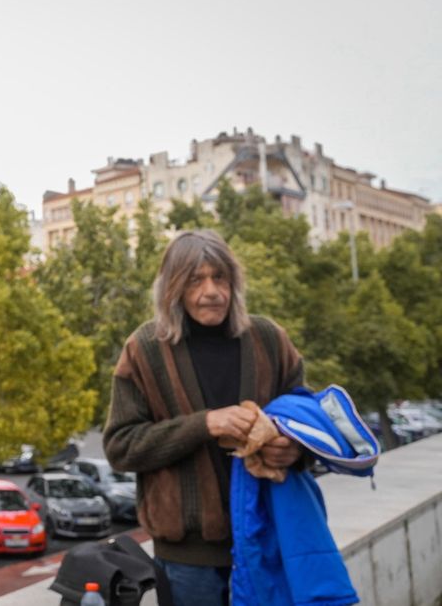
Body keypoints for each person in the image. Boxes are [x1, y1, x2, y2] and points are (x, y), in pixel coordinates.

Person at [103, 229, 304, 606]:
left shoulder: (269, 339)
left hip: (269, 538)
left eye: (220, 277)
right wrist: (205, 424)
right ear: (173, 288)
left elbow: (305, 421)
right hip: (188, 560)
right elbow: (120, 447)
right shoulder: (144, 349)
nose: (211, 291)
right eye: (195, 280)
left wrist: (294, 451)